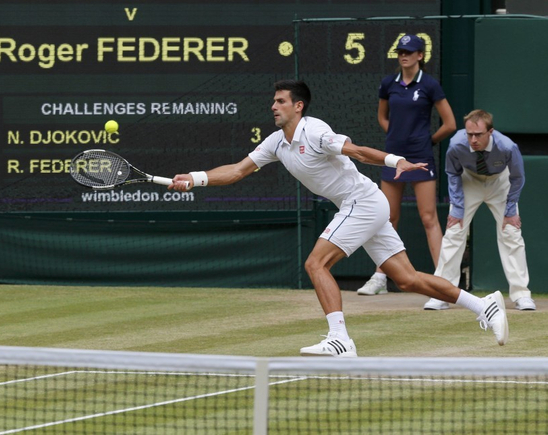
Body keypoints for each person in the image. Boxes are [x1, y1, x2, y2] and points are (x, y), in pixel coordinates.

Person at [169, 79, 508, 357]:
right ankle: (483, 305)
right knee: (407, 280)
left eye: (281, 101)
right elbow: (237, 171)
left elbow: (357, 151)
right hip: (364, 204)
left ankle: (340, 339)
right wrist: (195, 178)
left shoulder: (315, 131)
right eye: (273, 101)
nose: (273, 106)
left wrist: (395, 161)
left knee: (315, 264)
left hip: (361, 203)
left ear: (298, 106)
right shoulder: (275, 143)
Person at [357, 34, 456, 296]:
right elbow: (382, 117)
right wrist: (395, 136)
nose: (404, 56)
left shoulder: (430, 85)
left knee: (428, 218)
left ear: (420, 56)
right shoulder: (388, 84)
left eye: (409, 52)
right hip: (393, 158)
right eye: (401, 52)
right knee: (387, 218)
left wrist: (426, 142)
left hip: (421, 157)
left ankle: (443, 281)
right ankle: (380, 278)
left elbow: (450, 124)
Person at [423, 110, 536, 311]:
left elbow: (517, 177)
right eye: (470, 135)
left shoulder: (507, 147)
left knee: (511, 233)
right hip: (469, 180)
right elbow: (452, 173)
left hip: (500, 182)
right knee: (454, 231)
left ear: (490, 132)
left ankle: (521, 295)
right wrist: (457, 208)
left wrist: (510, 210)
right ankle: (442, 293)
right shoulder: (456, 145)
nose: (473, 140)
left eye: (478, 135)